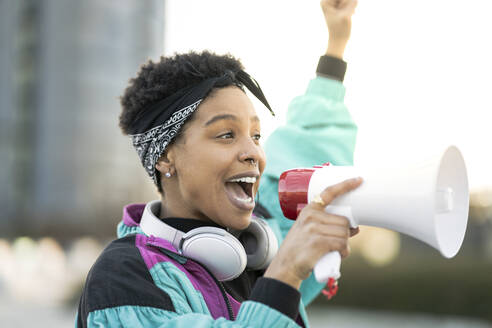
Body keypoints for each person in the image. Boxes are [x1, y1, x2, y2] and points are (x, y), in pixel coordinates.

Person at [76, 0, 360, 327]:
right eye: (226, 134)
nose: (253, 152)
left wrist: (336, 46)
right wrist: (285, 273)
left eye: (255, 135)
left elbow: (307, 147)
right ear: (167, 156)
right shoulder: (121, 280)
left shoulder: (260, 244)